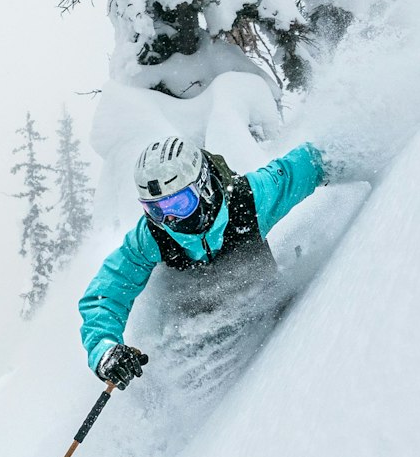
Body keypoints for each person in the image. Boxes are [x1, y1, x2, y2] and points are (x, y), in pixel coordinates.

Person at [79, 136, 327, 389]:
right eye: (156, 210)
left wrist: (346, 155)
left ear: (204, 186)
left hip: (274, 331)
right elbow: (107, 291)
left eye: (180, 204)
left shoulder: (249, 200)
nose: (171, 219)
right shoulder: (153, 236)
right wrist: (105, 349)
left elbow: (306, 165)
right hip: (196, 350)